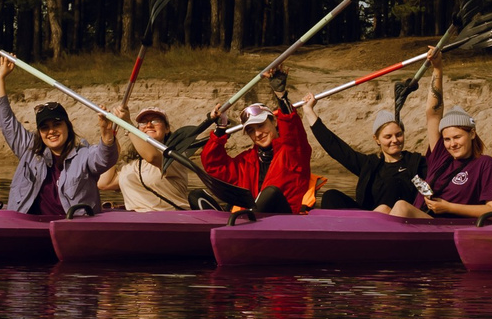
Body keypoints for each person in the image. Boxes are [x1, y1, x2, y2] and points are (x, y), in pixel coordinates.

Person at [0, 54, 115, 218]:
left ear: (67, 126)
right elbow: (5, 121)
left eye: (57, 124)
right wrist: (0, 77)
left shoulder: (84, 155)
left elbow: (104, 158)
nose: (51, 132)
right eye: (45, 128)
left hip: (69, 230)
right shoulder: (29, 149)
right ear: (39, 132)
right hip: (30, 226)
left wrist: (106, 134)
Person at [383, 65, 492, 221]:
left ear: (472, 133)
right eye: (447, 139)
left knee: (401, 206)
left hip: (446, 228)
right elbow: (433, 114)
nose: (452, 144)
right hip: (421, 221)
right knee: (383, 208)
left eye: (457, 137)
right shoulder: (441, 156)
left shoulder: (485, 164)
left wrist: (448, 207)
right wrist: (437, 69)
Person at [200, 74, 313, 215]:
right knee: (197, 196)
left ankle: (239, 226)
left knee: (270, 192)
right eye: (251, 130)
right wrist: (220, 130)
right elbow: (214, 166)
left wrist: (281, 96)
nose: (257, 134)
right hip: (252, 222)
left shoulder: (292, 152)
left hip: (285, 221)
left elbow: (293, 132)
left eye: (260, 125)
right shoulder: (246, 161)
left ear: (275, 122)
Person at [303, 87, 430, 211]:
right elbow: (334, 146)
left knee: (392, 183)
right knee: (330, 196)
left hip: (401, 221)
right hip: (369, 222)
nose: (395, 140)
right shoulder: (369, 164)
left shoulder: (416, 162)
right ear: (377, 139)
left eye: (399, 134)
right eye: (388, 136)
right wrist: (309, 111)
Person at [101, 107, 206, 211]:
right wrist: (109, 138)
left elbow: (152, 156)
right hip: (136, 222)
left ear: (167, 129)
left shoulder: (174, 157)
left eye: (155, 121)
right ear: (138, 130)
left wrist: (127, 125)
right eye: (143, 122)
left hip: (170, 220)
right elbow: (104, 183)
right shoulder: (132, 166)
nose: (149, 125)